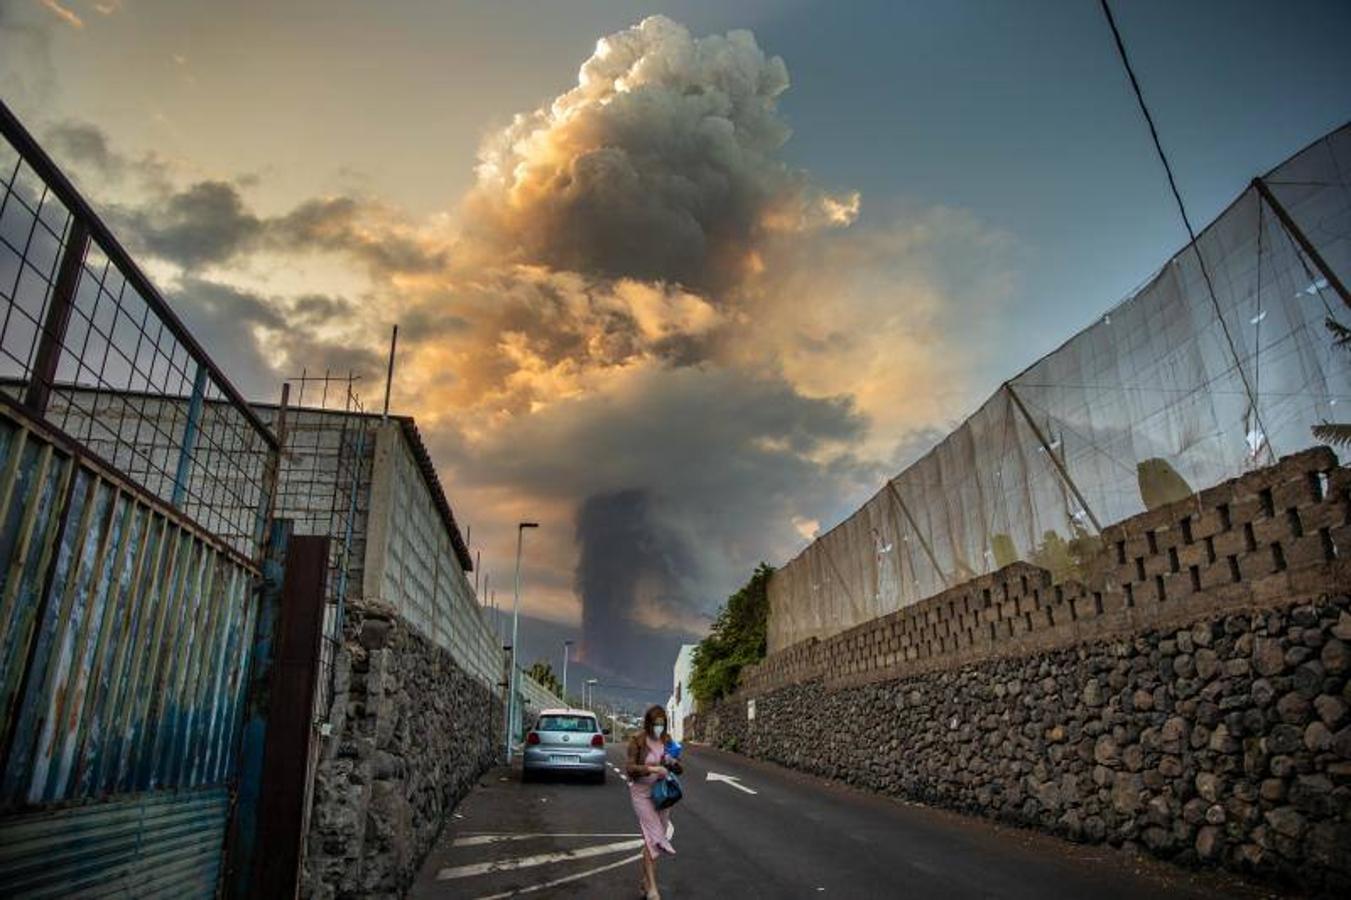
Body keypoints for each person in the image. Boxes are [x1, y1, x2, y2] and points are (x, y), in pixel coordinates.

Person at [626, 704, 683, 899]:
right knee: (654, 838)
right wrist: (653, 769)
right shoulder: (637, 741)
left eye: (662, 724)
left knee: (652, 841)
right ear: (648, 723)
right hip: (641, 794)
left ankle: (645, 882)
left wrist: (672, 763)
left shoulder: (666, 740)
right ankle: (653, 890)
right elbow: (630, 768)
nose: (659, 727)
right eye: (656, 724)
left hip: (661, 794)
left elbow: (680, 769)